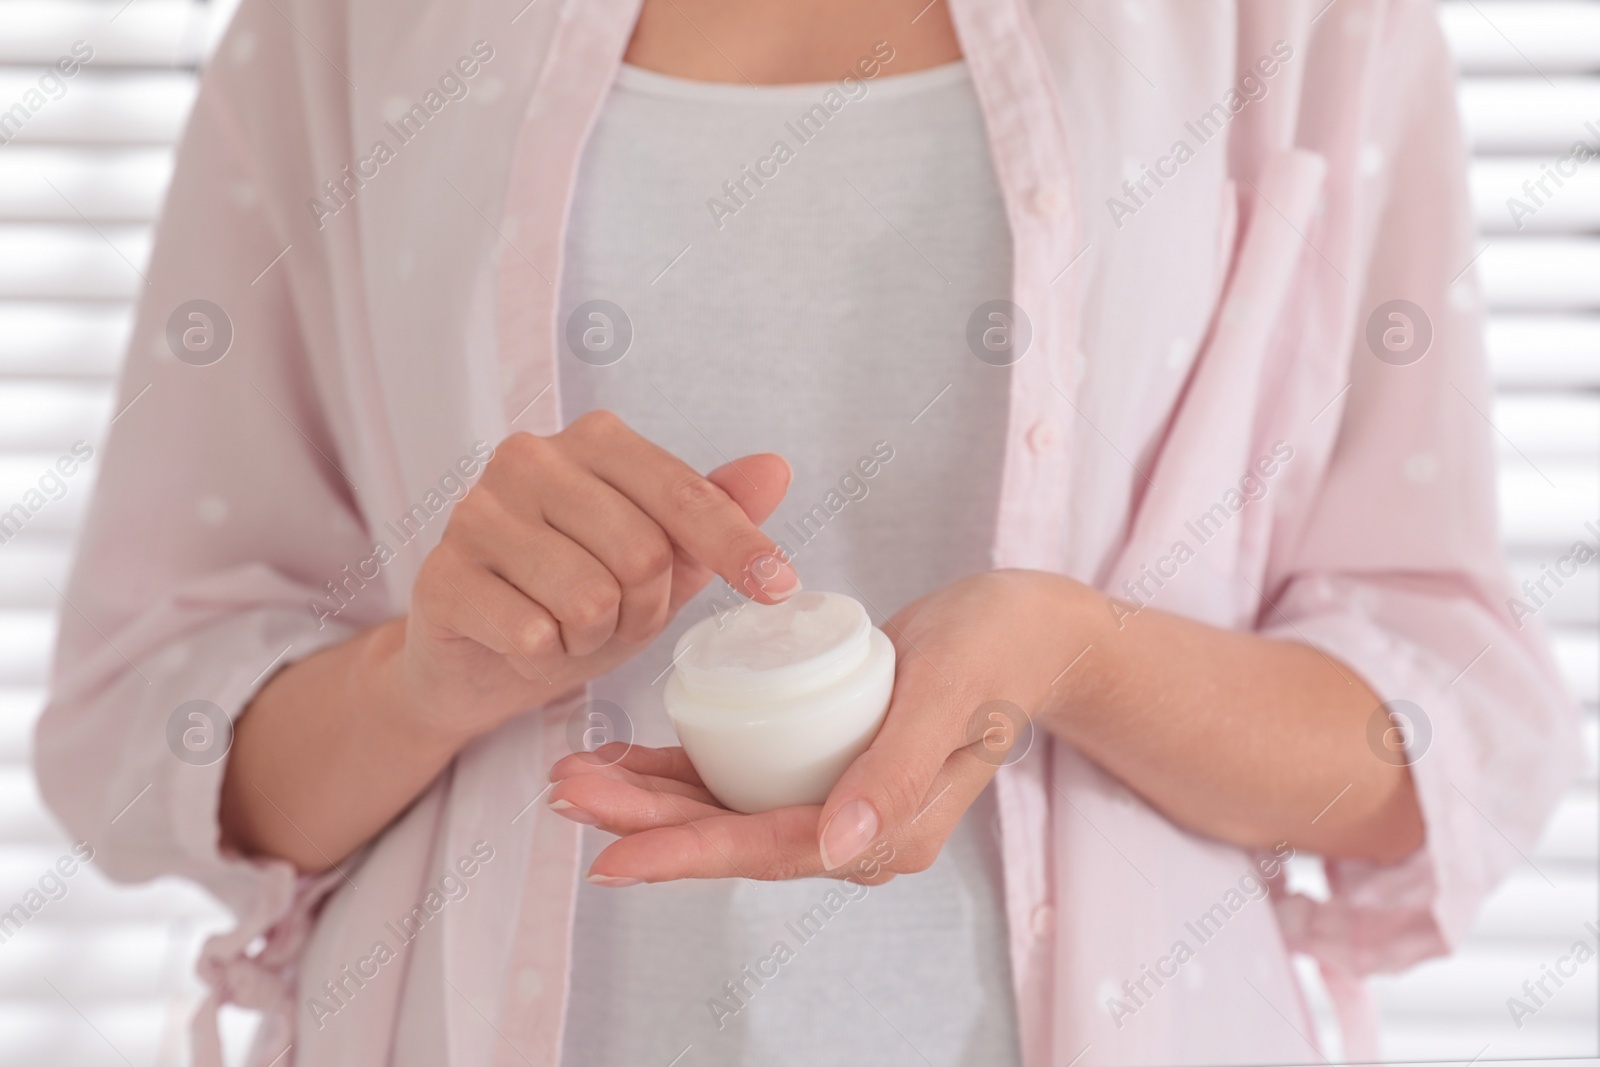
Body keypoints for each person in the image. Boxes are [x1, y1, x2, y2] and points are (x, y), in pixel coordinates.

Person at [34, 0, 1583, 1065]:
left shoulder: (1288, 27)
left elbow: (1438, 741)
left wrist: (1077, 658)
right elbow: (138, 728)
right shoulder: (349, 33)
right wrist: (430, 675)